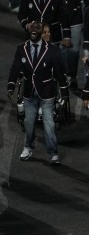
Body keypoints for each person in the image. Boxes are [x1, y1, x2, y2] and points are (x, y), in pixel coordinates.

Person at [7, 21, 67, 164]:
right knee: (29, 123)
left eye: (37, 29)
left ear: (41, 32)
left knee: (49, 124)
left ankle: (53, 153)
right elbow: (15, 68)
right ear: (28, 31)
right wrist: (11, 85)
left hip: (47, 92)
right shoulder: (21, 49)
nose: (34, 32)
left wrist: (64, 91)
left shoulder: (52, 50)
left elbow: (59, 72)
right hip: (28, 92)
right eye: (32, 29)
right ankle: (28, 146)